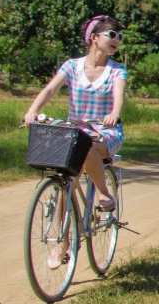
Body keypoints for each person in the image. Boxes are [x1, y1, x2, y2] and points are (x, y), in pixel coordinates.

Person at [24, 15, 126, 216]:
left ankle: (104, 193)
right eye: (112, 34)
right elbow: (50, 90)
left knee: (86, 145)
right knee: (66, 182)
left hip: (106, 132)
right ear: (94, 37)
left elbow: (119, 95)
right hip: (76, 131)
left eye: (120, 36)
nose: (117, 40)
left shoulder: (117, 71)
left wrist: (114, 113)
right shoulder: (71, 66)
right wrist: (32, 110)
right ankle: (63, 243)